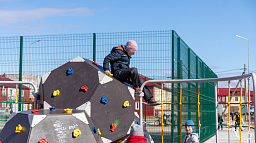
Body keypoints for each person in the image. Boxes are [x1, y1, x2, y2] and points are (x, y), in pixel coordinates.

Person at [103, 40, 158, 105]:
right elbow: (107, 58)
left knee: (140, 81)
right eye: (133, 52)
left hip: (124, 74)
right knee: (133, 70)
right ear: (129, 49)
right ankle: (136, 87)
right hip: (117, 73)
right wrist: (106, 69)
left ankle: (149, 99)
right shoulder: (118, 52)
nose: (133, 54)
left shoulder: (126, 53)